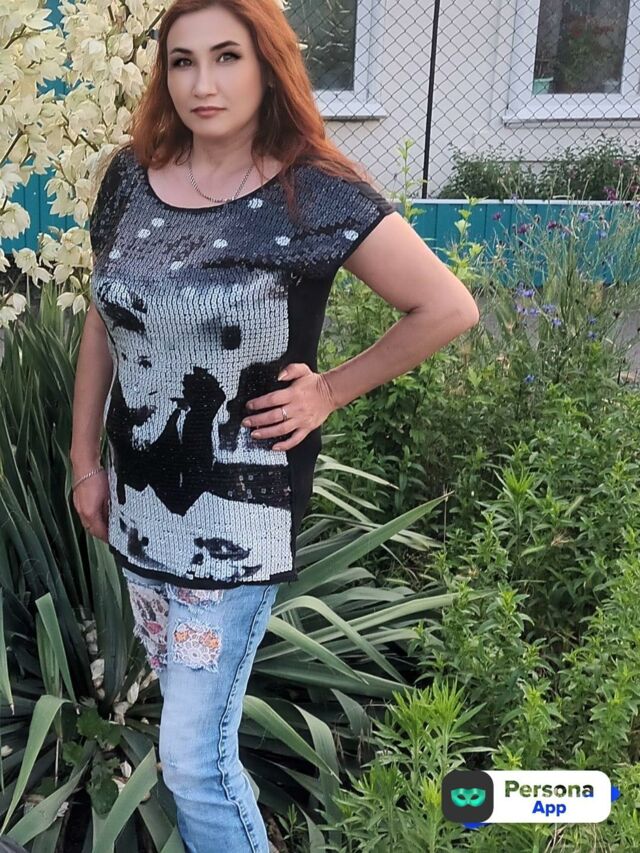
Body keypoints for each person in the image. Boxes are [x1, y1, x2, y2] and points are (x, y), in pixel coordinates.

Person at [70, 0, 480, 850]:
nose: (203, 82)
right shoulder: (130, 179)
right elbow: (102, 325)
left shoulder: (312, 192)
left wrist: (329, 389)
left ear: (268, 65)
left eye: (227, 57)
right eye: (183, 61)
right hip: (142, 510)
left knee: (193, 759)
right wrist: (84, 460)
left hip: (237, 525)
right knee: (194, 734)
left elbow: (447, 306)